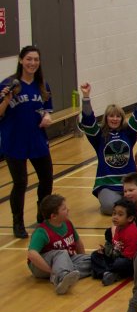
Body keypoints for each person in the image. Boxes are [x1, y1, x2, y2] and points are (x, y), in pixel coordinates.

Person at [0, 46, 55, 237]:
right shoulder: (9, 84)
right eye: (29, 59)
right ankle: (18, 222)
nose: (32, 63)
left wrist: (48, 117)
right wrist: (7, 99)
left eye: (36, 60)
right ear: (21, 60)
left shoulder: (42, 85)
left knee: (47, 178)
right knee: (20, 182)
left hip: (37, 140)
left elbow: (48, 108)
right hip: (14, 141)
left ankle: (43, 215)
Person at [79, 77, 137, 215]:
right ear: (106, 118)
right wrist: (86, 97)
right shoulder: (99, 136)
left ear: (122, 118)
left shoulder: (128, 133)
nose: (114, 119)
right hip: (107, 184)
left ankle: (125, 201)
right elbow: (88, 121)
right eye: (111, 116)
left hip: (129, 182)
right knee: (109, 208)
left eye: (118, 116)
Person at [27, 194, 89, 294]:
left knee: (92, 259)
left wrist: (83, 257)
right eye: (64, 209)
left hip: (65, 260)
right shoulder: (42, 232)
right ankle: (60, 278)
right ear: (53, 216)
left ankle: (66, 273)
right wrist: (52, 271)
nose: (68, 209)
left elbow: (78, 243)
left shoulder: (68, 223)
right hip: (41, 266)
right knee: (61, 253)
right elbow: (32, 254)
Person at [91, 199, 137, 286]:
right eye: (114, 213)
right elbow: (115, 246)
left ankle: (106, 272)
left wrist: (110, 254)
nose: (115, 217)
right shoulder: (118, 227)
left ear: (130, 218)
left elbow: (128, 257)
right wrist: (105, 250)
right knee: (95, 255)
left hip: (130, 262)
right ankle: (107, 273)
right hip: (117, 256)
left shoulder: (132, 232)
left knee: (120, 263)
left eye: (120, 215)